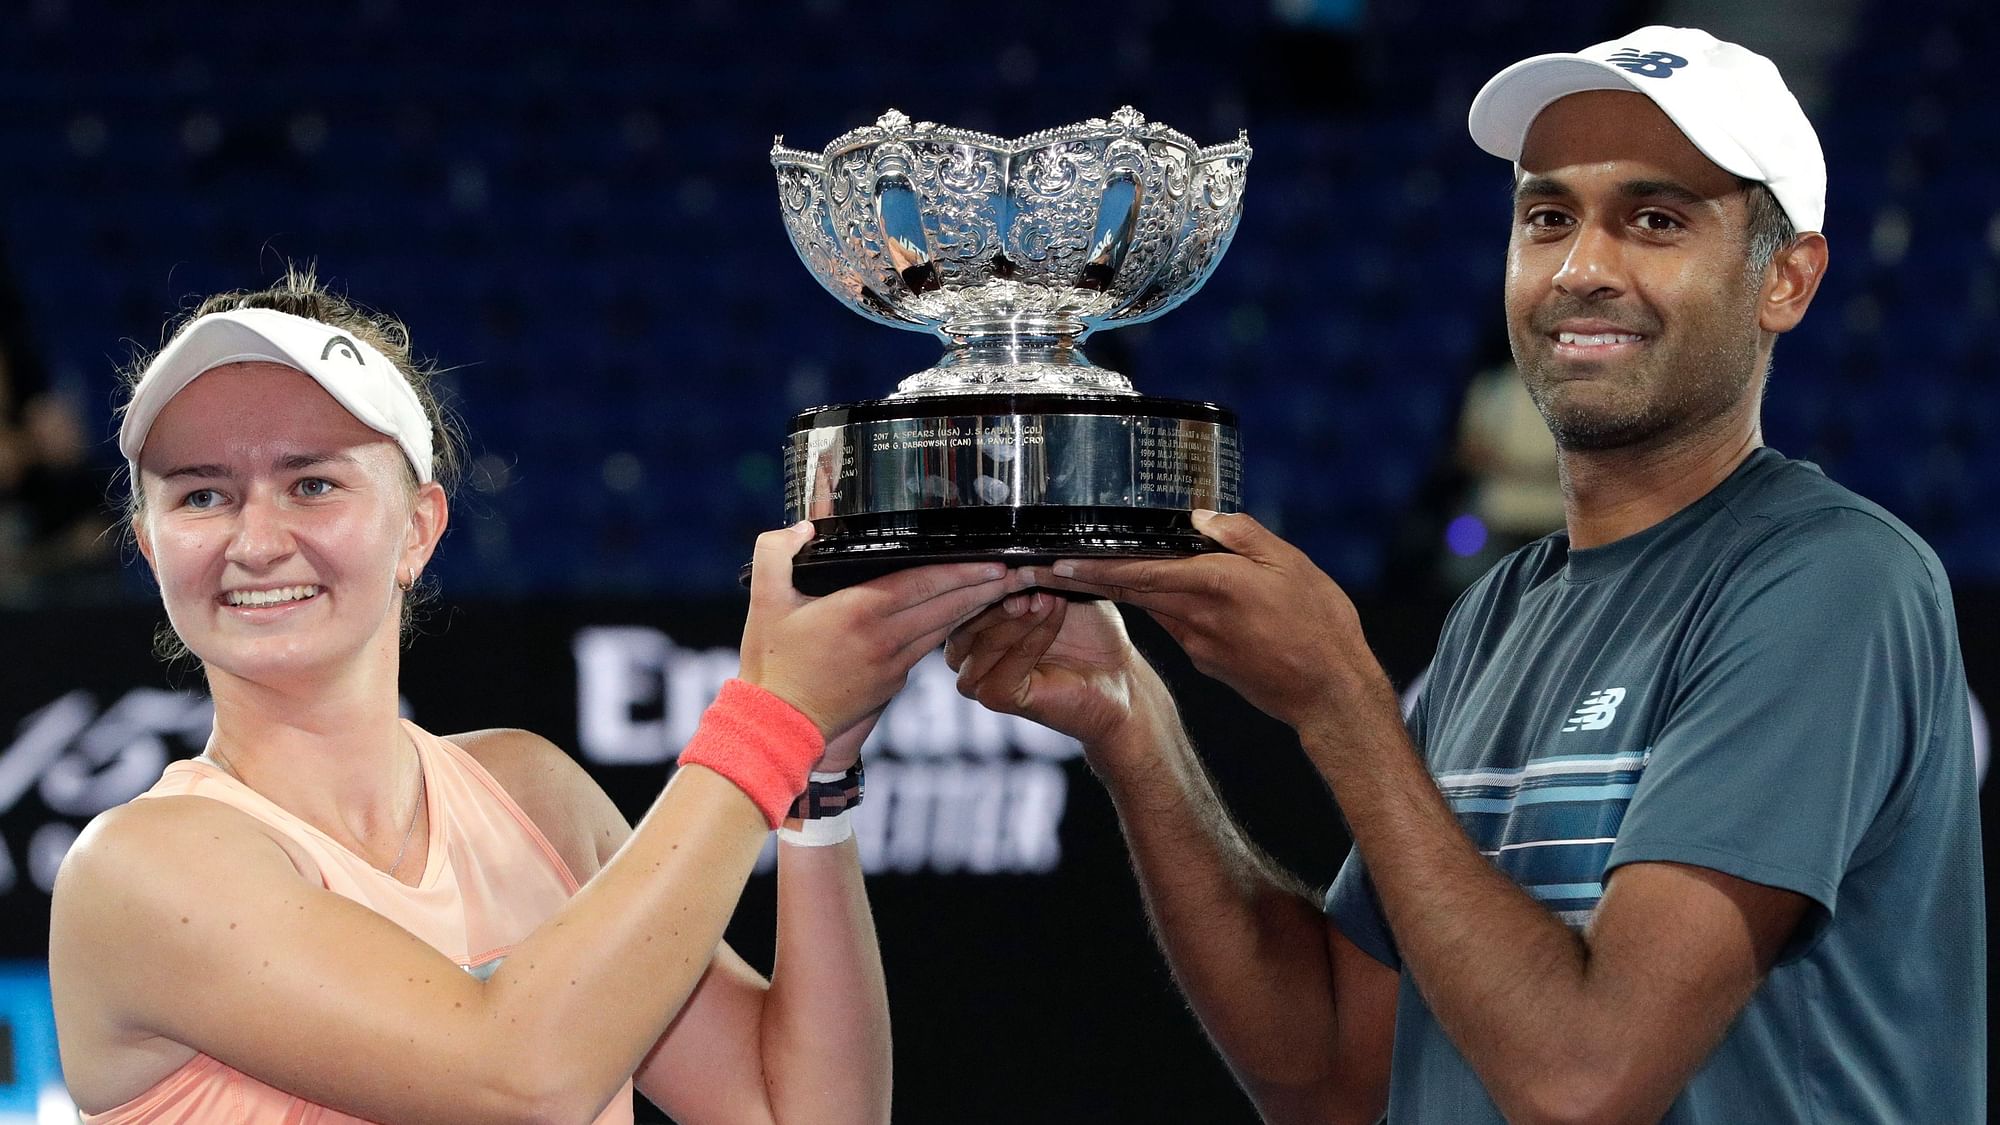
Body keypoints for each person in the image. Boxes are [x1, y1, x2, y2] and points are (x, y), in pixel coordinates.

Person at [948, 26, 1983, 1123]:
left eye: (1655, 219)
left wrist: (1342, 701)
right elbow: (1332, 1071)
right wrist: (1134, 728)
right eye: (1547, 218)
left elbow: (1584, 1081)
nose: (1582, 268)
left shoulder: (1831, 580)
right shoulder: (1505, 608)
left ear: (1785, 278)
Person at [48, 270, 1026, 1124]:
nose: (254, 542)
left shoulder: (529, 795)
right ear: (149, 543)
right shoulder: (140, 869)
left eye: (311, 484)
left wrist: (816, 775)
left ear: (418, 528)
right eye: (201, 494)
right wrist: (769, 718)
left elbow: (801, 1115)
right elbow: (518, 1078)